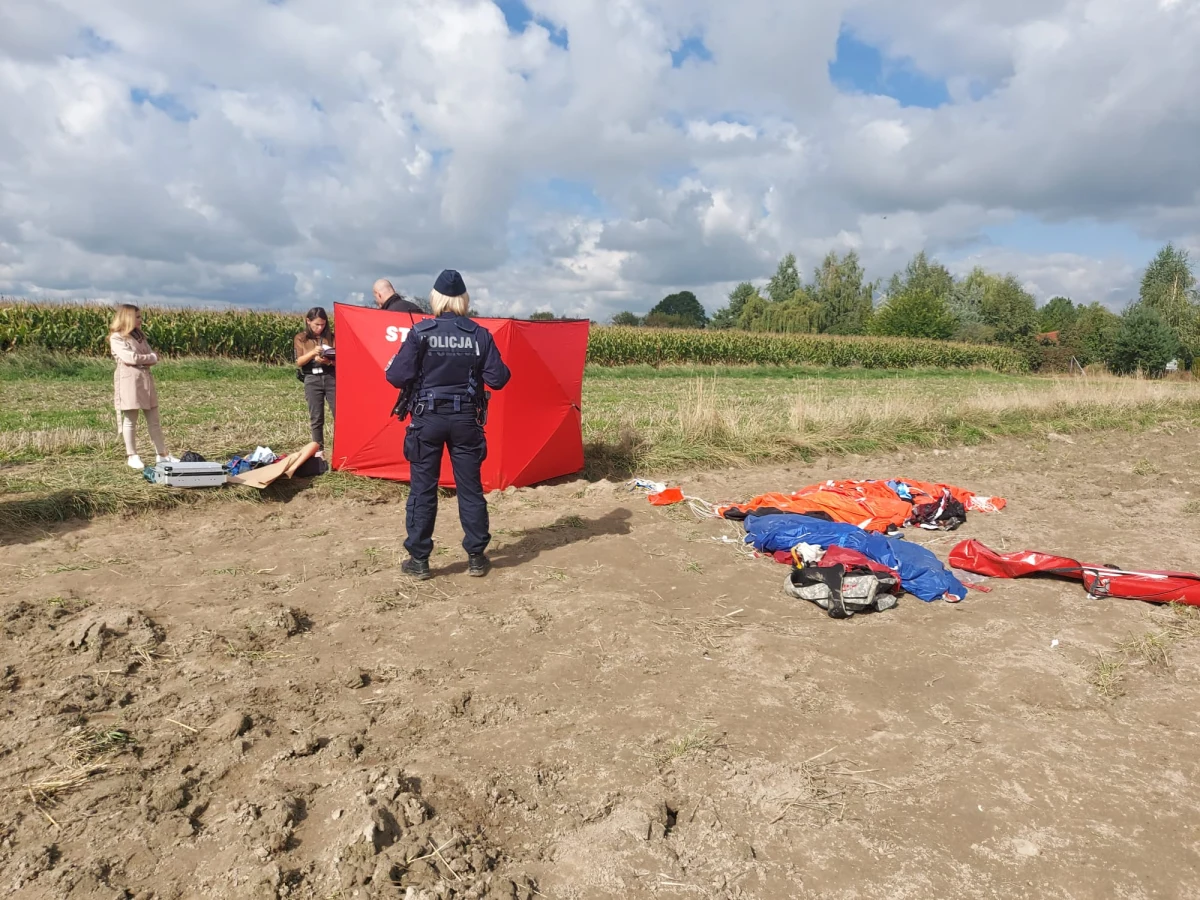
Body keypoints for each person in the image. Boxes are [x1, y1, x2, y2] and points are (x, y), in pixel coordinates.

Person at [386, 269, 510, 579]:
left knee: (422, 491)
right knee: (470, 490)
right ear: (464, 300)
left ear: (436, 299)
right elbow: (499, 378)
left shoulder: (420, 333)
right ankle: (477, 557)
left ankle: (419, 560)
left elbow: (396, 376)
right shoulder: (479, 334)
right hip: (466, 420)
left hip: (427, 419)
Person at [109, 304, 176, 470]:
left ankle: (162, 455)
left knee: (154, 420)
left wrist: (146, 358)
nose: (141, 320)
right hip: (129, 380)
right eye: (138, 317)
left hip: (145, 379)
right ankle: (132, 455)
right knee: (131, 419)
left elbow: (150, 357)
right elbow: (130, 358)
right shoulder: (117, 338)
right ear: (128, 317)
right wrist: (149, 358)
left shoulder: (140, 336)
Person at [294, 307, 336, 455]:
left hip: (331, 377)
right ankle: (319, 452)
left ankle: (341, 450)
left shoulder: (332, 337)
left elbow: (342, 360)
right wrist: (313, 353)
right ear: (308, 321)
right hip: (311, 378)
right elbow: (299, 361)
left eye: (323, 324)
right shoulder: (301, 338)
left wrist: (328, 362)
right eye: (317, 324)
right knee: (316, 417)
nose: (320, 328)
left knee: (338, 414)